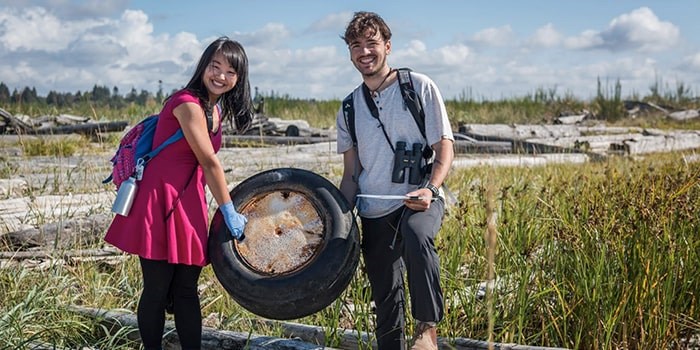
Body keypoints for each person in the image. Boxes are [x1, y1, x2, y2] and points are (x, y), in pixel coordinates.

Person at [104, 36, 252, 350]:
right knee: (157, 290)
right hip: (159, 202)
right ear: (203, 67)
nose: (221, 76)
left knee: (186, 289)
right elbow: (209, 161)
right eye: (215, 67)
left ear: (239, 78)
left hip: (189, 204)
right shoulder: (186, 103)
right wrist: (227, 210)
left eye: (230, 72)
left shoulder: (214, 110)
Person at [336, 11, 455, 350]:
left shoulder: (418, 87)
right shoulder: (348, 108)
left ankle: (427, 329)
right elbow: (351, 175)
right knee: (385, 296)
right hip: (374, 208)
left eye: (372, 43)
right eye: (356, 46)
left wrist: (431, 189)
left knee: (418, 235)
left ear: (387, 47)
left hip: (421, 198)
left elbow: (444, 146)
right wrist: (340, 220)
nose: (364, 52)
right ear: (349, 53)